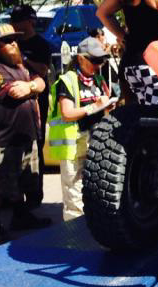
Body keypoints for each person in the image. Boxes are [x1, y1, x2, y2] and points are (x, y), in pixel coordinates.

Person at [0, 23, 50, 244]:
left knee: (21, 179)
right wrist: (31, 87)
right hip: (0, 138)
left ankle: (20, 217)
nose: (14, 43)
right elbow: (14, 92)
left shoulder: (19, 65)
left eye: (15, 39)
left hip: (24, 135)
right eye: (7, 41)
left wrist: (31, 86)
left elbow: (41, 79)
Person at [48, 37, 113, 220]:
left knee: (96, 186)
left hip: (96, 141)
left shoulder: (99, 79)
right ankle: (73, 228)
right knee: (74, 191)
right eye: (95, 60)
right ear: (81, 58)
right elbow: (67, 113)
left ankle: (92, 223)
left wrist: (108, 106)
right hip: (73, 144)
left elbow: (104, 107)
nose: (98, 65)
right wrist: (93, 107)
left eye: (101, 60)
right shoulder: (68, 80)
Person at [10, 4, 52, 205]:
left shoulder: (41, 44)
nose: (14, 25)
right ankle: (14, 195)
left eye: (18, 21)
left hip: (36, 102)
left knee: (36, 145)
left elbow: (43, 70)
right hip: (15, 103)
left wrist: (23, 58)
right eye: (13, 21)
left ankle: (35, 195)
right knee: (15, 148)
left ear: (29, 22)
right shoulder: (11, 42)